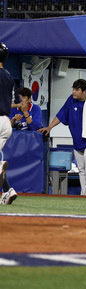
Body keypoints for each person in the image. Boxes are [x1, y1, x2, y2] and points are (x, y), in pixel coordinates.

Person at [39, 79, 86, 196]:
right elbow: (61, 114)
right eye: (73, 89)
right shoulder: (72, 99)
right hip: (78, 140)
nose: (73, 92)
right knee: (81, 168)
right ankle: (84, 192)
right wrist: (49, 127)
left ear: (84, 91)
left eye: (77, 90)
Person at [0, 42, 20, 205]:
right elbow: (15, 103)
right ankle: (7, 191)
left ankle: (0, 166)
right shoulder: (8, 76)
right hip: (6, 123)